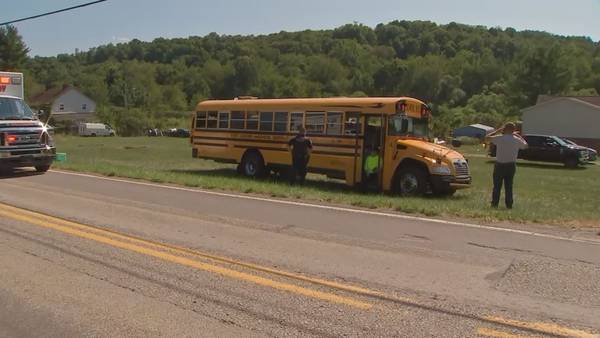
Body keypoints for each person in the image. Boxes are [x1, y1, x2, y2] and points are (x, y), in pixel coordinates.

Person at [489, 122, 528, 209]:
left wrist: (497, 130)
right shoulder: (516, 140)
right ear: (513, 130)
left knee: (497, 186)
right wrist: (519, 136)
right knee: (509, 186)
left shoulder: (499, 138)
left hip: (499, 165)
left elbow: (486, 138)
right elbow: (526, 146)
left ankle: (494, 204)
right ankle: (509, 205)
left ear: (504, 129)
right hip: (511, 165)